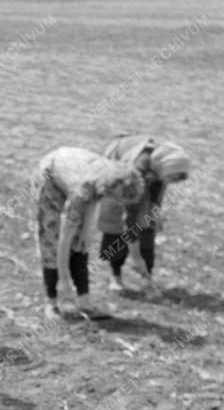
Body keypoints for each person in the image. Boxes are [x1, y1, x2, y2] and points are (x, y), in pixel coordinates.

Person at [30, 146, 145, 319]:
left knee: (81, 244)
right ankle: (52, 303)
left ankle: (84, 303)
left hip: (78, 174)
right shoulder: (84, 188)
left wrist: (85, 233)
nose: (118, 203)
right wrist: (65, 281)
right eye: (118, 199)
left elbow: (93, 202)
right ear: (112, 189)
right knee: (51, 241)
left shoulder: (111, 177)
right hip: (49, 177)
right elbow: (64, 239)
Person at [97, 136, 191, 292]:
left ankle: (147, 277)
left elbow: (156, 195)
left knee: (148, 227)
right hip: (119, 179)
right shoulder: (140, 165)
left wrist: (155, 213)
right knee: (116, 228)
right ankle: (116, 276)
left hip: (143, 178)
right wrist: (135, 256)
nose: (171, 182)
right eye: (172, 178)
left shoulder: (162, 167)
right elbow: (131, 215)